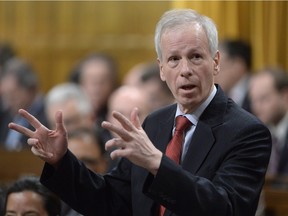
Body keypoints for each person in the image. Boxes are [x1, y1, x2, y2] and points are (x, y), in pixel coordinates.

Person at [8, 8, 271, 216]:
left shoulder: (247, 132)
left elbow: (226, 208)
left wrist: (157, 164)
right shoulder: (155, 123)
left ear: (215, 63)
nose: (185, 69)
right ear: (161, 69)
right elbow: (111, 202)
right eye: (174, 59)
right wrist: (62, 161)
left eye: (196, 57)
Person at [0, 58, 48, 150]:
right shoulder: (5, 115)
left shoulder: (47, 116)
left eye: (12, 94)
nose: (8, 101)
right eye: (5, 95)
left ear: (31, 90)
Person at [249, 67, 288, 177]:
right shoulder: (255, 133)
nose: (256, 107)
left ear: (285, 96)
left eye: (264, 99)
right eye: (253, 100)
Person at [214, 39, 253, 113]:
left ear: (237, 66)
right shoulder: (221, 97)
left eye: (219, 66)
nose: (214, 74)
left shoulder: (257, 95)